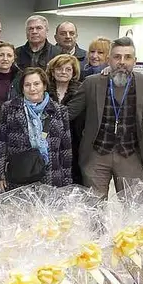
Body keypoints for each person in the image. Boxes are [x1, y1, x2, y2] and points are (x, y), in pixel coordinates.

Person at [79, 37, 143, 198]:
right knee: (93, 208)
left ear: (135, 61)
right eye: (117, 56)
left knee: (134, 206)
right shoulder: (92, 82)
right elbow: (71, 112)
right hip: (97, 154)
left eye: (128, 57)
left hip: (130, 154)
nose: (122, 61)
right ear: (108, 60)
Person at [0, 68, 73, 191]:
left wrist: (67, 182)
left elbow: (66, 149)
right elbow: (1, 143)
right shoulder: (9, 108)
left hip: (51, 178)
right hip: (19, 176)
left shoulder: (59, 111)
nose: (32, 88)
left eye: (36, 84)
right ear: (22, 88)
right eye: (27, 85)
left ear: (44, 86)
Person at [48, 54, 87, 185]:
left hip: (74, 141)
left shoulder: (82, 91)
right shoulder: (43, 90)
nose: (63, 72)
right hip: (48, 142)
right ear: (53, 72)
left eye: (68, 69)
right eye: (59, 68)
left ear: (74, 72)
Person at [0, 43, 22, 112]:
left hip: (13, 119)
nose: (5, 59)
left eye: (9, 56)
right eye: (1, 55)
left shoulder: (21, 78)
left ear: (14, 59)